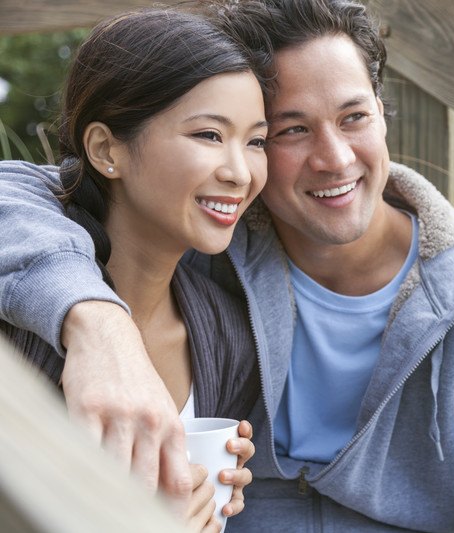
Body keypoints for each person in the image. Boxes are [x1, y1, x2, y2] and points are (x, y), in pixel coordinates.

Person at [0, 0, 454, 530]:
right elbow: (29, 191)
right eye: (291, 130)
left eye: (354, 117)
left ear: (382, 114)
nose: (335, 157)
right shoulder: (212, 252)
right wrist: (99, 326)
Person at [0, 6, 271, 531]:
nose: (240, 172)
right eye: (208, 135)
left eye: (255, 141)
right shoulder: (15, 309)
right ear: (106, 149)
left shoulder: (225, 338)